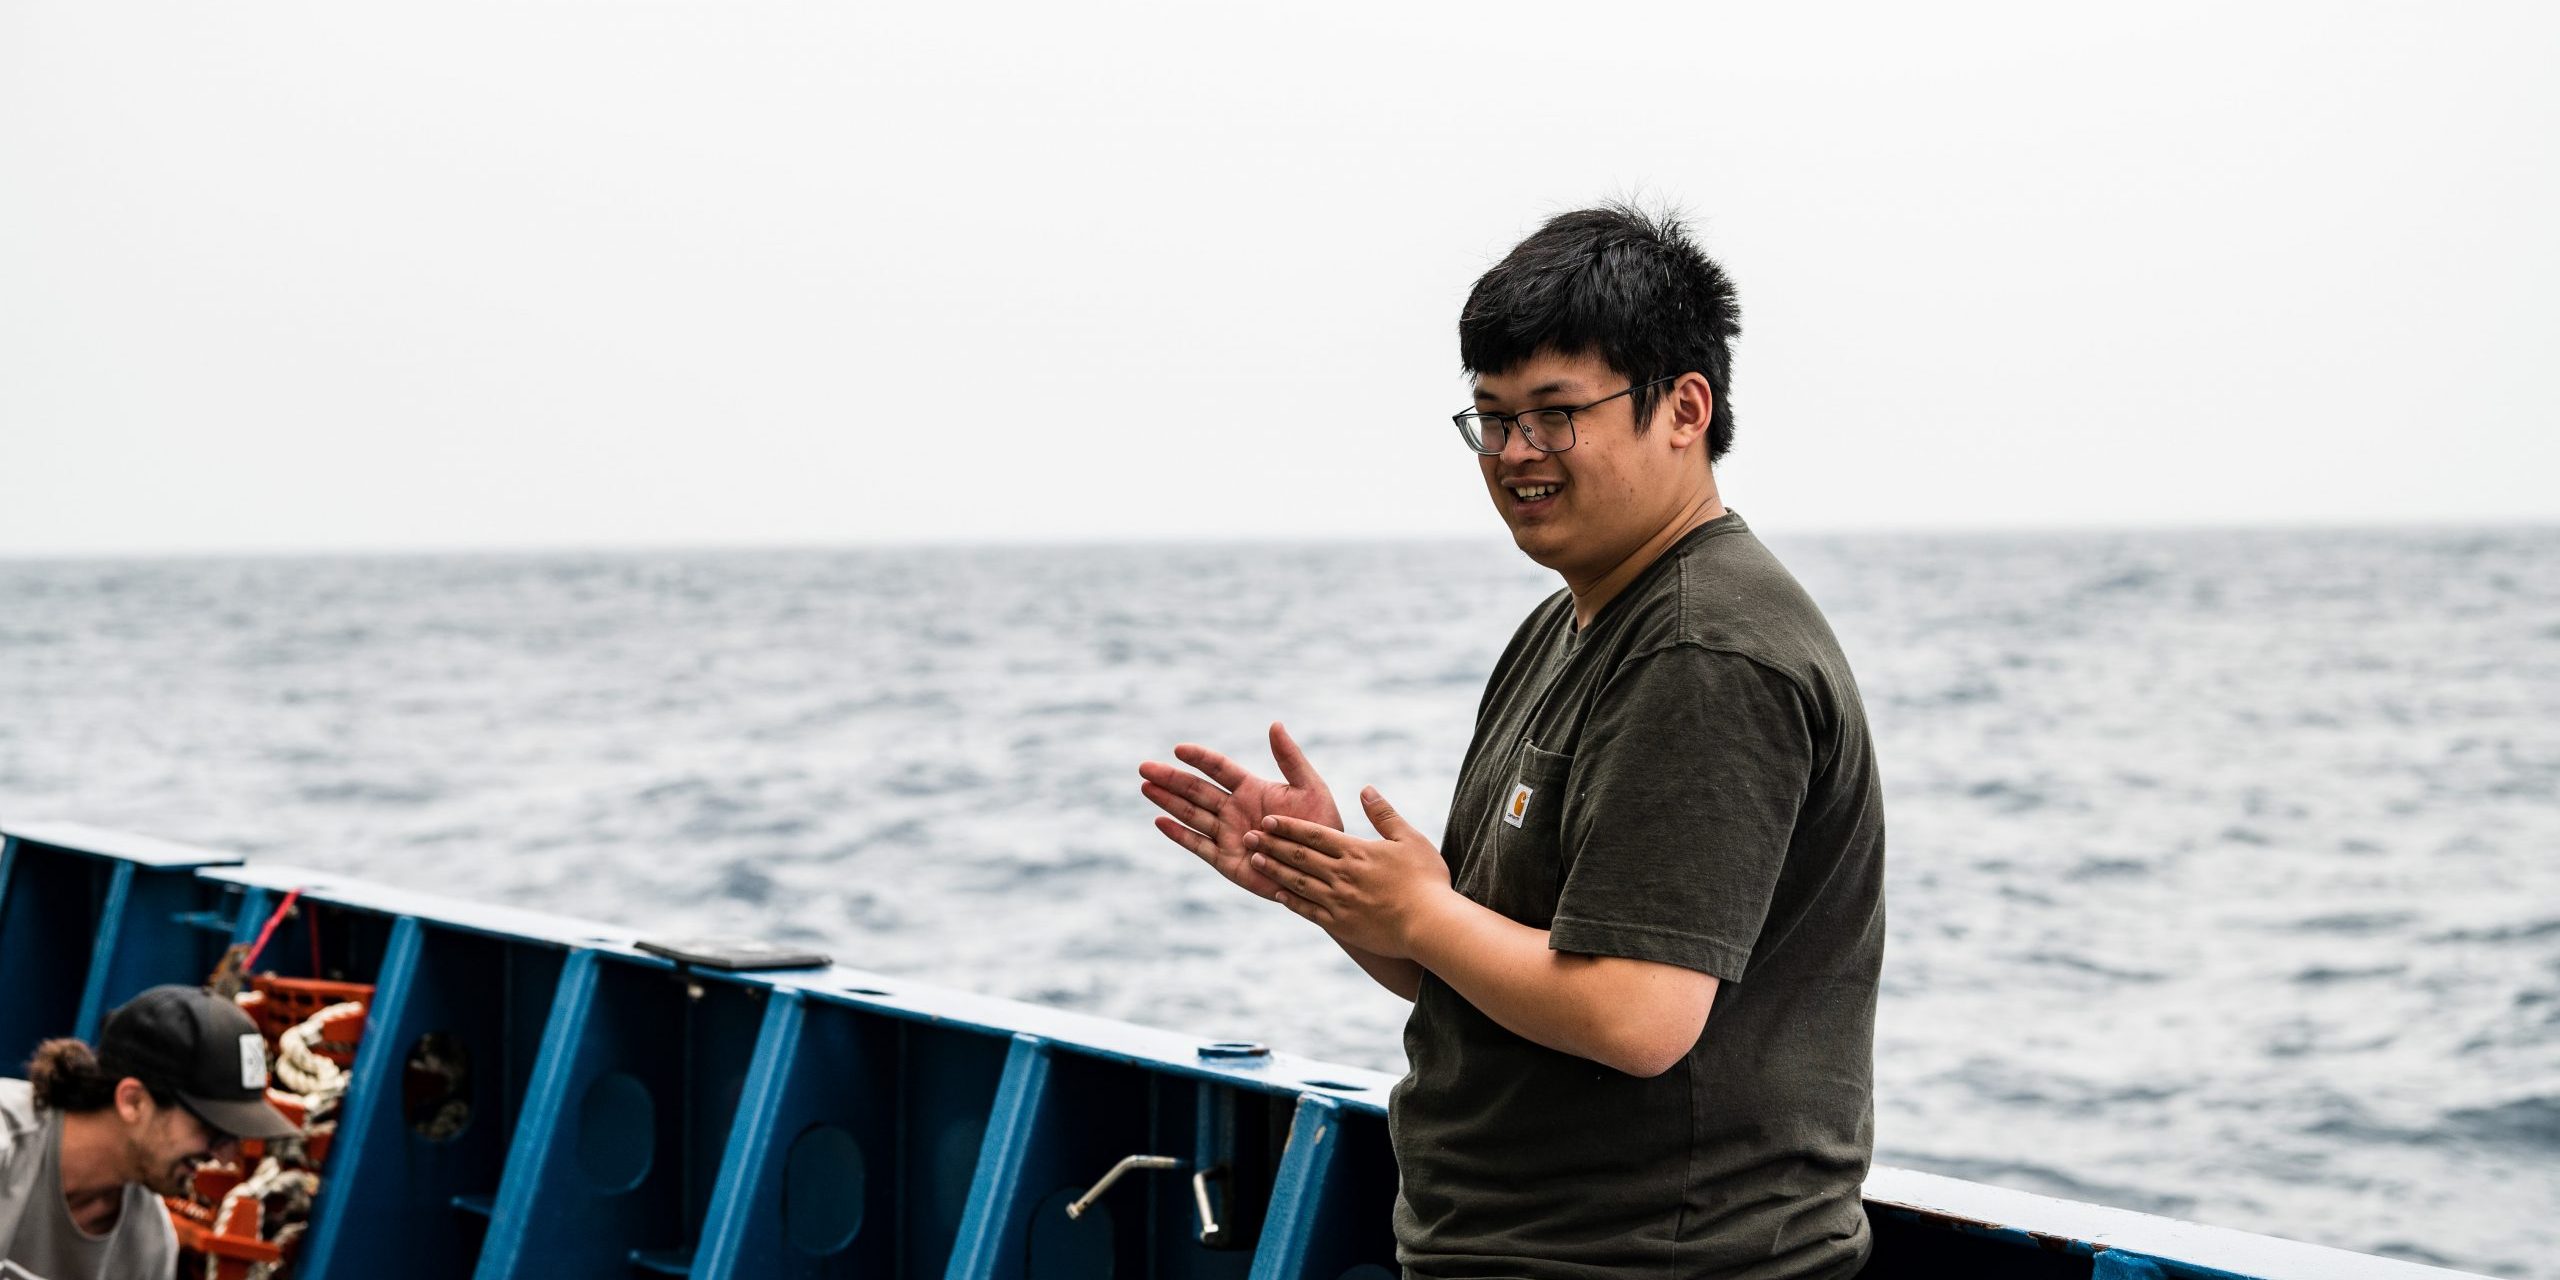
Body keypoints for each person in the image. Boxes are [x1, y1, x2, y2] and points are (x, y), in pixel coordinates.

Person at [1141, 204, 1885, 1277]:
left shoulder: (1704, 650)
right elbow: (1492, 972)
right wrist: (1335, 883)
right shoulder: (1568, 621)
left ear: (1684, 408)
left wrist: (1423, 909)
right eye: (1490, 417)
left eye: (1554, 413)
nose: (1514, 454)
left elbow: (1634, 1014)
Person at [0, 985, 299, 1279]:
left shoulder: (148, 1246)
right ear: (133, 1101)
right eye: (212, 1129)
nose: (225, 1158)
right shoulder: (6, 1142)